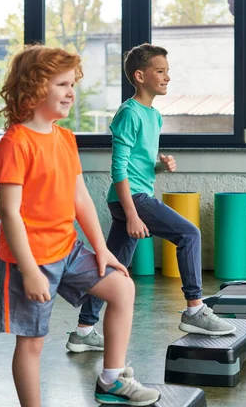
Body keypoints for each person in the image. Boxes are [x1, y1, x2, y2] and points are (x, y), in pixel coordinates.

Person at [0, 44, 160, 407]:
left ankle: (112, 380)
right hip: (29, 258)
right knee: (32, 342)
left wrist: (102, 249)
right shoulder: (16, 144)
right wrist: (30, 270)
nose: (71, 93)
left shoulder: (64, 138)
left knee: (121, 287)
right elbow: (10, 215)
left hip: (68, 248)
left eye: (73, 85)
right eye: (62, 85)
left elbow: (81, 199)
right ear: (33, 89)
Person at [66, 43, 236, 355]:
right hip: (132, 199)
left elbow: (136, 164)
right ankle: (195, 309)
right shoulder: (129, 113)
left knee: (114, 267)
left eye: (168, 71)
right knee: (189, 234)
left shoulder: (153, 116)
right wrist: (132, 214)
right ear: (140, 75)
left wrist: (160, 165)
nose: (167, 77)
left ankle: (84, 330)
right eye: (161, 71)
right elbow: (118, 168)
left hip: (133, 197)